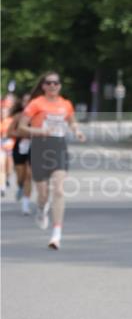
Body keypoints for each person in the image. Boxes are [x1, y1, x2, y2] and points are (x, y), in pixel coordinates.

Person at [18, 72, 85, 249]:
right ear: (44, 86)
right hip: (39, 147)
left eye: (56, 83)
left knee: (59, 190)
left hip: (59, 148)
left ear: (60, 86)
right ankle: (41, 209)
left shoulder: (66, 104)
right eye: (49, 83)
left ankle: (56, 234)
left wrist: (77, 131)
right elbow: (22, 127)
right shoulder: (36, 103)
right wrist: (39, 131)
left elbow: (72, 122)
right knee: (42, 194)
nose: (53, 86)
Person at [7, 94, 33, 214]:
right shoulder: (18, 116)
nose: (27, 103)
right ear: (22, 103)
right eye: (25, 101)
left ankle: (25, 205)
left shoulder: (37, 116)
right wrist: (21, 134)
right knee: (20, 176)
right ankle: (20, 187)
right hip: (19, 147)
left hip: (34, 147)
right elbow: (9, 132)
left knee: (29, 174)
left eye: (30, 101)